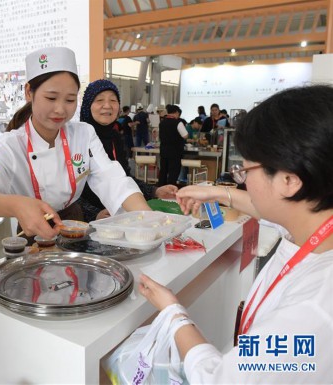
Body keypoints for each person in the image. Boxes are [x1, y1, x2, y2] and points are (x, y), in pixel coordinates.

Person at [139, 84, 333, 384]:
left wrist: (173, 312)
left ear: (289, 181)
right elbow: (269, 212)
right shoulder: (314, 226)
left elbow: (217, 379)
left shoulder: (315, 310)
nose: (243, 182)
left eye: (246, 171)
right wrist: (215, 193)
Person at [0, 47, 151, 239]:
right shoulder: (8, 146)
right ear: (29, 92)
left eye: (69, 99)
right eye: (51, 98)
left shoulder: (84, 134)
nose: (60, 109)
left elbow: (113, 179)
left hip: (75, 225)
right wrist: (17, 205)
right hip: (32, 231)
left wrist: (148, 219)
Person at [77, 79, 178, 222]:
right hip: (82, 223)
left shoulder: (115, 137)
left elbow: (123, 179)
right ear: (87, 106)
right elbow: (70, 193)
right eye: (99, 100)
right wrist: (94, 214)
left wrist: (155, 191)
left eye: (113, 100)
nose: (107, 105)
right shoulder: (77, 138)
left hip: (119, 216)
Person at [157, 104, 188, 186]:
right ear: (176, 112)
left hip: (163, 150)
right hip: (175, 151)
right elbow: (185, 135)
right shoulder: (178, 123)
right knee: (173, 171)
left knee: (163, 170)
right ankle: (170, 189)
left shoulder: (162, 123)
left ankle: (161, 188)